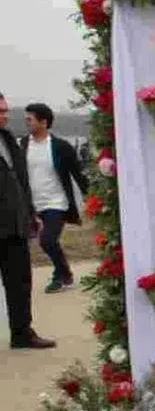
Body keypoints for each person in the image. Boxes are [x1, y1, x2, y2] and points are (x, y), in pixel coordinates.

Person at [0, 93, 56, 349]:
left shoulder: (9, 140)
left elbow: (21, 181)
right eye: (1, 111)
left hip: (14, 224)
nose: (5, 115)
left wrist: (31, 214)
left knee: (20, 282)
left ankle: (22, 333)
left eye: (5, 110)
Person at [20, 102, 88, 292]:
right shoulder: (24, 145)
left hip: (56, 203)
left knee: (47, 240)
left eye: (29, 120)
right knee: (36, 242)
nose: (26, 123)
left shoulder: (61, 146)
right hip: (33, 204)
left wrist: (91, 197)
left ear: (43, 122)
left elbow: (77, 174)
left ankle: (60, 276)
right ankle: (65, 273)